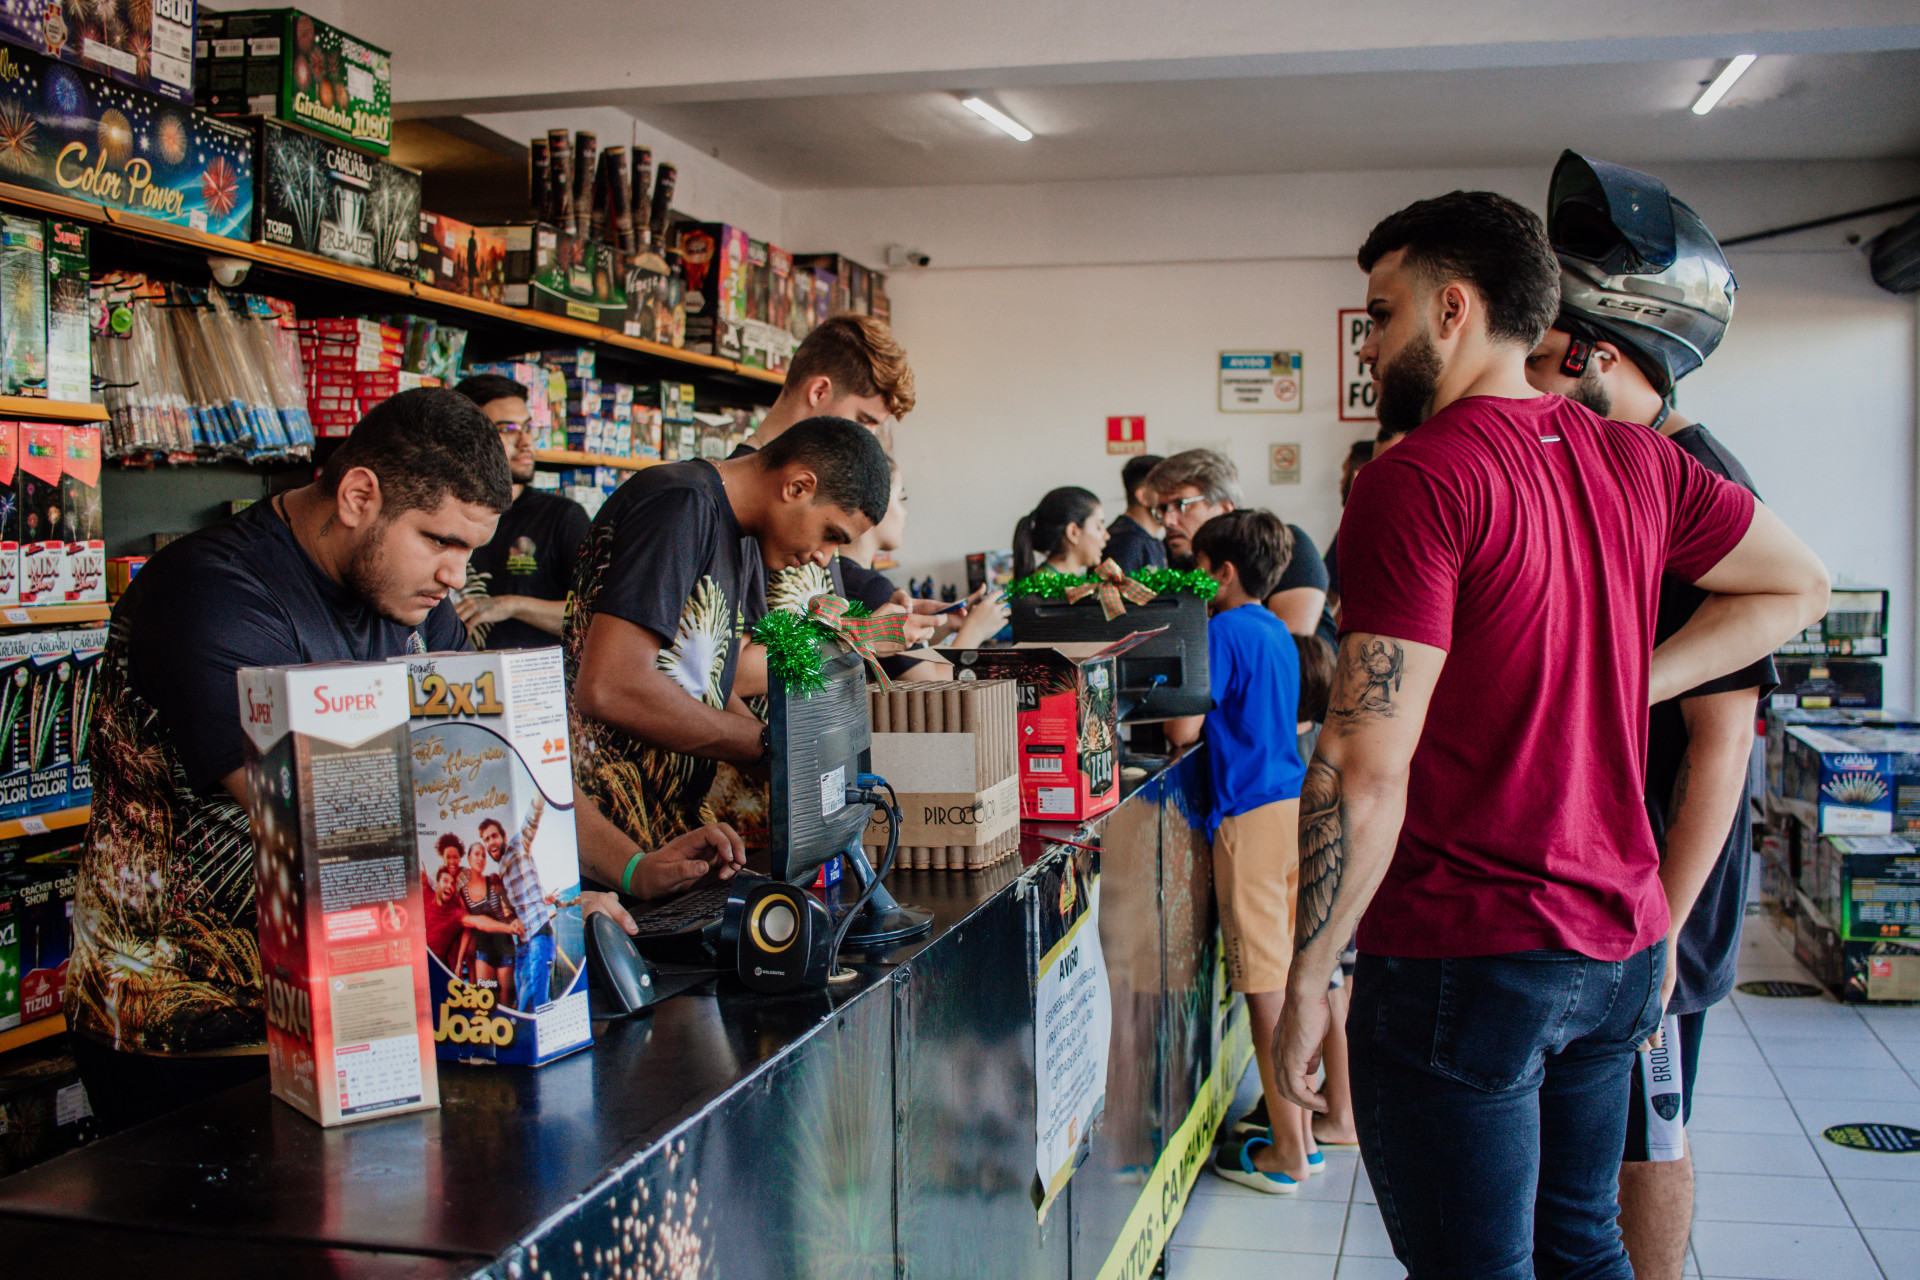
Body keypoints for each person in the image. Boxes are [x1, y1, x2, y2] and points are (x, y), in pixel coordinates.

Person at [1271, 190, 1828, 1280]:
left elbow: (1364, 765)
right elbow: (1797, 583)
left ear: (1454, 308)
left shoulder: (1415, 480)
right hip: (1613, 946)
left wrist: (1307, 981)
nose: (1371, 343)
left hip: (1464, 956)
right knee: (1581, 1250)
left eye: (1380, 315)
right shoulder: (1637, 462)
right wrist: (1624, 682)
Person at [64, 389, 511, 1132]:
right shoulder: (209, 594)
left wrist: (621, 871)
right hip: (186, 1032)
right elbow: (323, 828)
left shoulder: (411, 598)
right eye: (439, 541)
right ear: (359, 495)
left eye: (470, 550)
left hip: (346, 1004)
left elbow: (475, 754)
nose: (457, 577)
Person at [1523, 152, 1767, 1280]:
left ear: (1599, 356)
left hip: (1658, 886)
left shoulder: (1695, 492)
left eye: (1539, 358)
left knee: (1639, 1134)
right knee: (1581, 1143)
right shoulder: (1613, 477)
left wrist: (1660, 921)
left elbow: (1721, 740)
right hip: (1594, 875)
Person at [566, 416, 896, 855]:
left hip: (667, 832)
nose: (823, 557)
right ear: (797, 486)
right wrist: (766, 746)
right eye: (831, 535)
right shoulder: (682, 503)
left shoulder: (736, 532)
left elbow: (707, 684)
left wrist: (794, 761)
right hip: (610, 842)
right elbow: (610, 687)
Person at [1159, 511, 1310, 1191]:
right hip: (1292, 807)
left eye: (1196, 566)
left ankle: (1287, 1153)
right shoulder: (1277, 628)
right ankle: (1299, 1131)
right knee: (1286, 974)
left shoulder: (1220, 630)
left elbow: (1182, 729)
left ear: (1220, 572)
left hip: (1247, 821)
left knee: (1263, 991)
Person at [451, 373, 591, 650]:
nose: (526, 441)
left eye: (528, 427)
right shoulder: (441, 511)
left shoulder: (563, 517)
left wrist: (512, 605)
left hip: (535, 687)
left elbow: (594, 617)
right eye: (508, 429)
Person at [839, 460, 1008, 678]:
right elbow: (934, 685)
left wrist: (946, 623)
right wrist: (975, 631)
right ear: (872, 503)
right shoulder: (871, 589)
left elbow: (898, 660)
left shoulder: (845, 575)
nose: (905, 513)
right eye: (901, 499)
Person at [1144, 449, 1329, 635]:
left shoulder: (1284, 545)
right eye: (1162, 509)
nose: (1167, 520)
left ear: (1225, 508)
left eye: (1181, 505)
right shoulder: (1176, 558)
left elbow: (1293, 644)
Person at [1320, 440, 1373, 645]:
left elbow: (1324, 600)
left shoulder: (1352, 530)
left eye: (1345, 473)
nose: (1341, 481)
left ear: (1356, 476)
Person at [460, 840, 523, 1006]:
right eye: (476, 854)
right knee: (486, 1001)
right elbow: (468, 927)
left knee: (505, 1004)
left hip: (504, 949)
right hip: (483, 952)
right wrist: (460, 960)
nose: (481, 858)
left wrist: (502, 892)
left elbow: (511, 911)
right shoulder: (463, 892)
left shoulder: (493, 882)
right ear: (468, 858)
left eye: (483, 855)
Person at [1011, 487, 1109, 579]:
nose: (1107, 536)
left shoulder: (1068, 586)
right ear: (1073, 533)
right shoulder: (1044, 590)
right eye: (1098, 527)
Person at [1104, 454, 1167, 573]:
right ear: (1142, 496)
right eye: (1165, 489)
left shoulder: (1151, 540)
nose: (1172, 498)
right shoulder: (1126, 543)